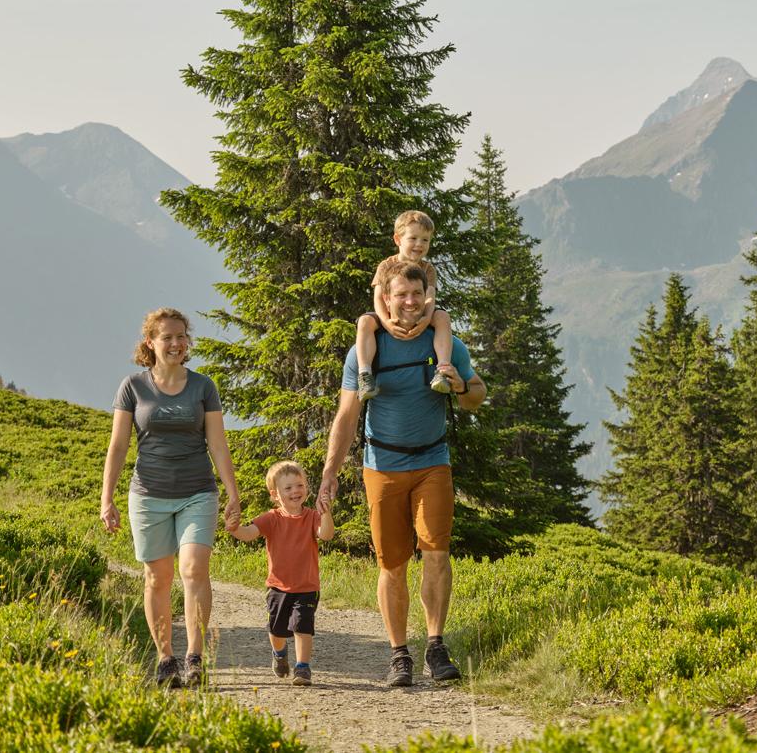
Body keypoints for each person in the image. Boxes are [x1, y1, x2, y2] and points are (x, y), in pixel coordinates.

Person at [321, 262, 486, 687]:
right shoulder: (366, 349)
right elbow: (347, 414)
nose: (410, 302)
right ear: (386, 298)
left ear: (426, 296)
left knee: (436, 553)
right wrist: (329, 472)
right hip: (382, 467)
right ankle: (399, 654)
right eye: (401, 295)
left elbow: (477, 395)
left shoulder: (445, 343)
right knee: (391, 564)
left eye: (417, 294)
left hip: (433, 462)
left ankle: (435, 645)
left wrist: (460, 385)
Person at [100, 307, 239, 688]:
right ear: (151, 342)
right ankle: (165, 658)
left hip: (198, 492)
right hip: (148, 495)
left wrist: (233, 492)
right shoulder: (133, 387)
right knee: (157, 578)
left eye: (181, 336)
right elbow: (118, 446)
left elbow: (217, 443)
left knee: (193, 570)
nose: (176, 344)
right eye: (167, 337)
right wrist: (106, 498)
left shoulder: (203, 387)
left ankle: (194, 656)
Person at [230, 460, 336, 686]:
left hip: (307, 586)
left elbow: (326, 535)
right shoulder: (271, 518)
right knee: (277, 631)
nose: (295, 491)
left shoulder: (312, 516)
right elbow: (249, 533)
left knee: (302, 626)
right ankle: (279, 654)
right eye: (288, 488)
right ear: (275, 495)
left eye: (300, 485)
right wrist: (235, 528)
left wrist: (326, 513)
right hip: (278, 586)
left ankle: (303, 667)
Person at [353, 210, 456, 401]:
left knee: (442, 317)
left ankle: (442, 370)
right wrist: (386, 322)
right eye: (413, 238)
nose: (419, 244)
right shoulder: (386, 265)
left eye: (425, 240)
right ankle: (365, 375)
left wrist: (426, 319)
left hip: (420, 312)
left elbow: (430, 297)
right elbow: (378, 298)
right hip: (389, 314)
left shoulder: (427, 269)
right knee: (365, 322)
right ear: (398, 239)